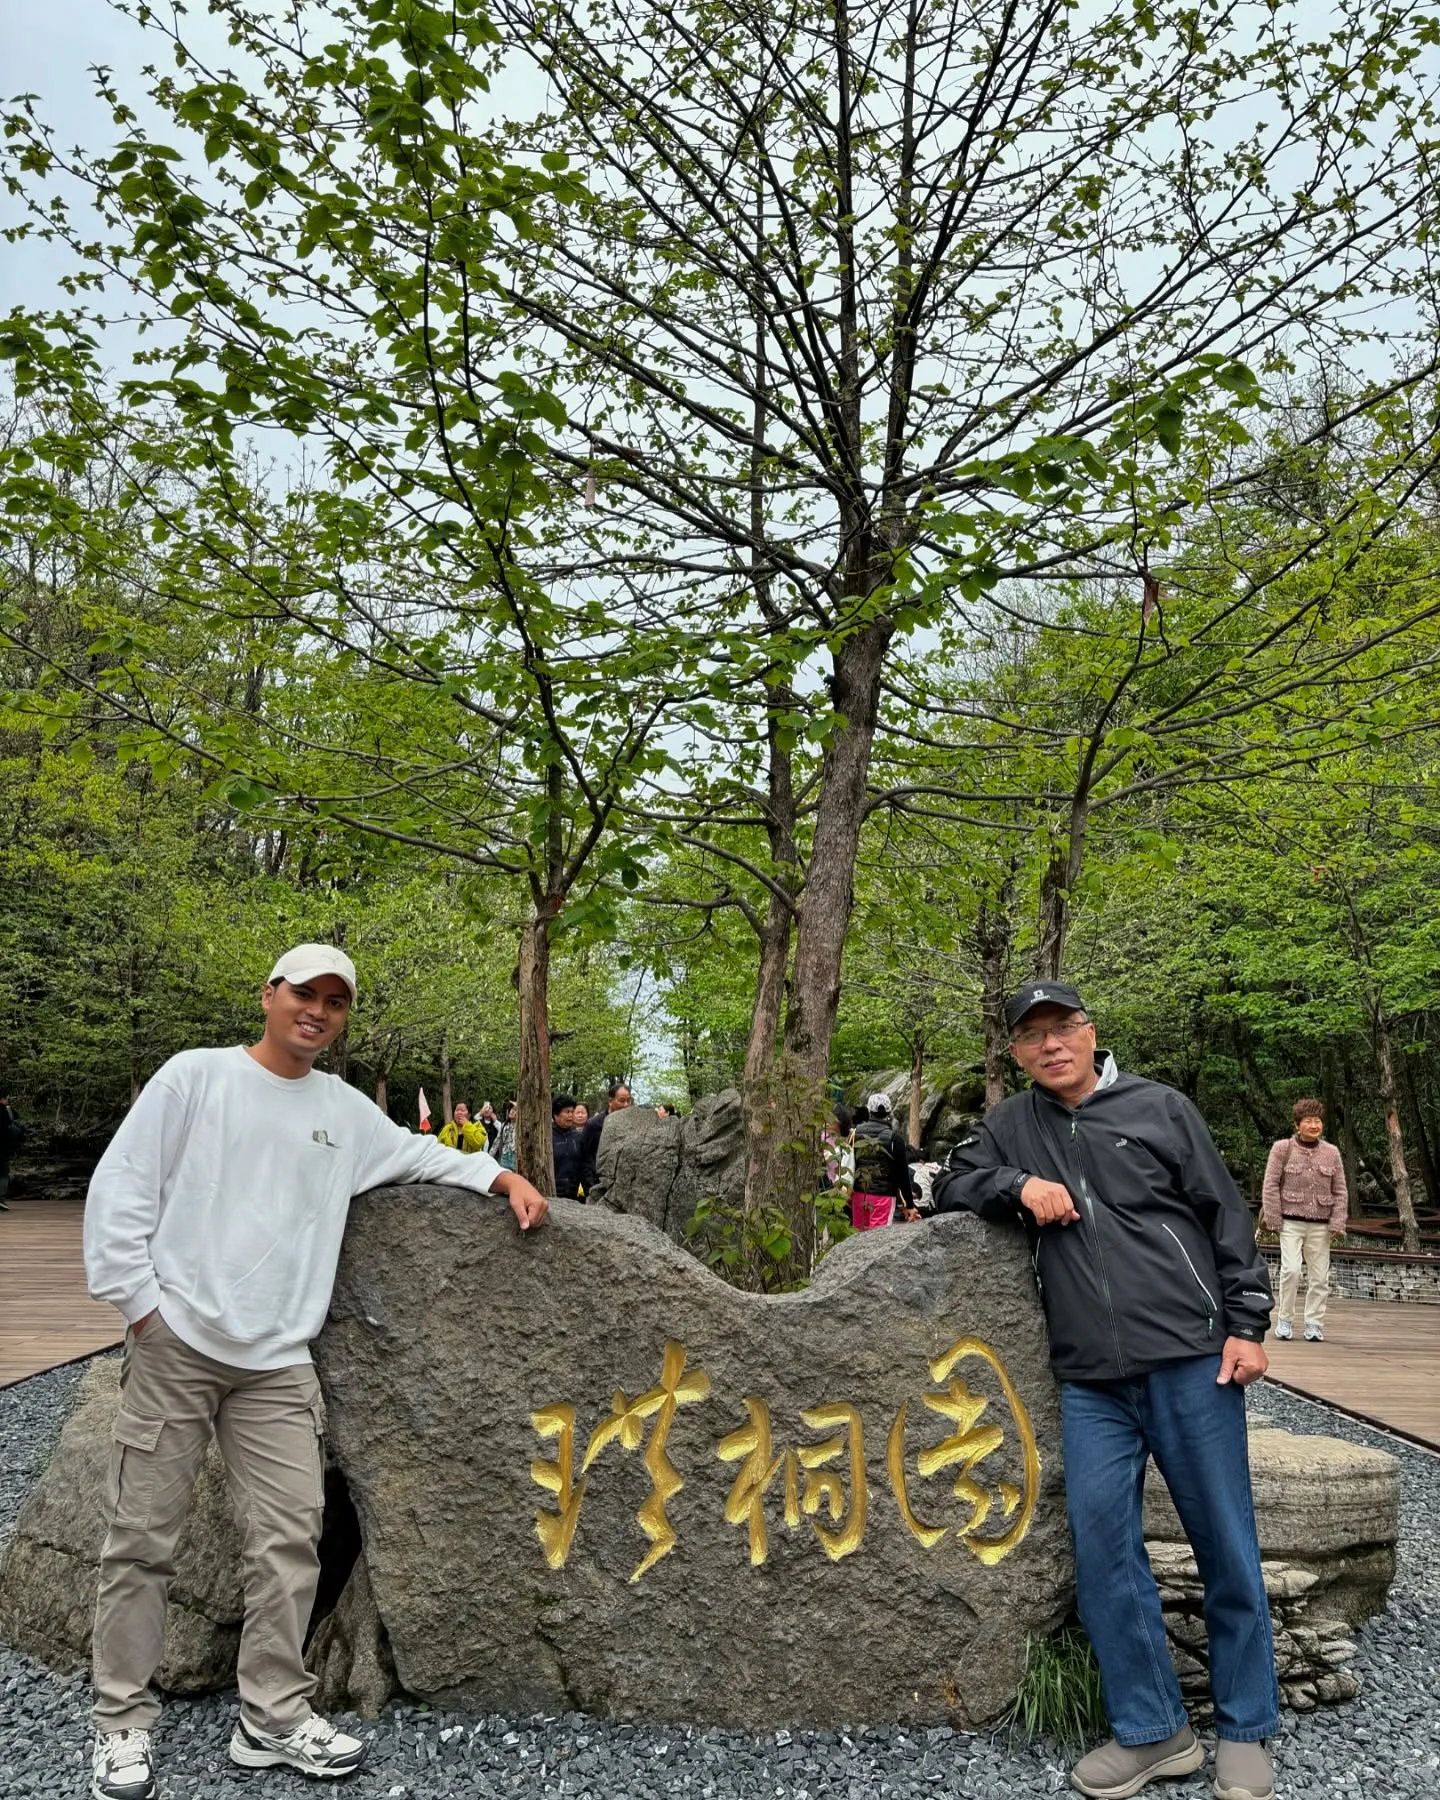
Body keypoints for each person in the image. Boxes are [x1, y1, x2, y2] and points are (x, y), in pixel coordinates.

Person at [82, 945, 548, 1800]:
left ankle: (271, 1717)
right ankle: (120, 1722)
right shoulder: (196, 1080)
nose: (318, 1011)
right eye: (305, 993)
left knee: (289, 1542)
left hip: (276, 1363)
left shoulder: (343, 1111)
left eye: (335, 1001)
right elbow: (121, 1194)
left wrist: (498, 1173)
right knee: (141, 1539)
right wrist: (142, 1312)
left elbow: (422, 1156)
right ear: (269, 994)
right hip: (177, 1344)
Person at [933, 981, 1278, 1800]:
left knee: (1225, 1542)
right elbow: (949, 1183)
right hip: (1089, 1380)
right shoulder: (1014, 1125)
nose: (1050, 1045)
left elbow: (1226, 1218)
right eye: (1032, 1037)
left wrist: (1248, 1326)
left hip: (1193, 1359)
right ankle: (1156, 1731)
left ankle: (1248, 1725)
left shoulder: (1160, 1108)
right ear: (1015, 1053)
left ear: (1090, 1033)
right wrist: (1014, 1187)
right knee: (1104, 1556)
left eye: (1063, 1028)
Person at [1261, 1099, 1347, 1344]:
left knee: (1320, 1277)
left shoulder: (1331, 1153)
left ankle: (1314, 1323)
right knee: (1291, 1271)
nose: (1313, 1125)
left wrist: (1338, 1222)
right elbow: (1270, 1185)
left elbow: (1340, 1190)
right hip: (1290, 1223)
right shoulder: (1281, 1149)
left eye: (1317, 1121)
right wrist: (1273, 1218)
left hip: (1321, 1224)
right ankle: (1285, 1319)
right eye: (1308, 1121)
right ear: (1297, 1124)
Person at [849, 1093, 918, 1229]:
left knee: (857, 1241)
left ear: (869, 1111)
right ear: (889, 1112)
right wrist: (909, 1205)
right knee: (878, 1243)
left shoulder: (855, 1134)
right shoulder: (894, 1139)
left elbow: (851, 1164)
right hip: (883, 1197)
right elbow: (902, 1176)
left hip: (859, 1195)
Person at [578, 1080, 632, 1198]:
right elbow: (585, 1158)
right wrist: (591, 1187)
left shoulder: (631, 1125)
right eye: (622, 1101)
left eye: (629, 1101)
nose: (626, 1105)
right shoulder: (594, 1125)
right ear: (610, 1101)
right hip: (597, 1185)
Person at [551, 1093, 585, 1199]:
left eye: (572, 1112)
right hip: (554, 1192)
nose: (570, 1115)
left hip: (576, 1192)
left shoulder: (579, 1137)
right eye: (567, 1112)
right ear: (555, 1114)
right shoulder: (547, 1137)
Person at [0, 1094, 25, 1209]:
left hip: (4, 1146)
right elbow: (14, 1121)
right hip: (4, 1147)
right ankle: (1, 1197)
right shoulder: (6, 1110)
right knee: (3, 1172)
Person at [496, 1100, 518, 1171]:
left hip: (516, 1157)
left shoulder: (523, 1127)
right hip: (505, 1155)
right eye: (511, 1109)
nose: (512, 1111)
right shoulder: (504, 1125)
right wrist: (489, 1157)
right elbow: (497, 1142)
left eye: (515, 1110)